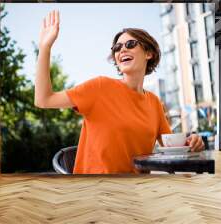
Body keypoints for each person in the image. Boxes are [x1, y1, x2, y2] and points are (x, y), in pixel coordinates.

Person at [34, 10, 205, 174]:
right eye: (117, 47)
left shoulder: (154, 103)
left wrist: (192, 142)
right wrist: (45, 47)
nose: (122, 50)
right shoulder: (99, 87)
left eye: (130, 44)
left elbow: (173, 147)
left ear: (149, 53)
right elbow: (43, 100)